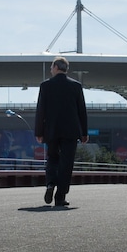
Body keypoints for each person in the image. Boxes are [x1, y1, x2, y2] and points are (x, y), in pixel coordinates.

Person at [34, 56, 88, 207]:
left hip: (51, 130)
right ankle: (60, 196)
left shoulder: (45, 86)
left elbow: (40, 111)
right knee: (67, 162)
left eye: (51, 67)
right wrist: (84, 133)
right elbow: (82, 111)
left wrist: (39, 132)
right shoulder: (76, 86)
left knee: (52, 158)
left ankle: (51, 183)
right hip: (71, 131)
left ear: (56, 67)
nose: (51, 70)